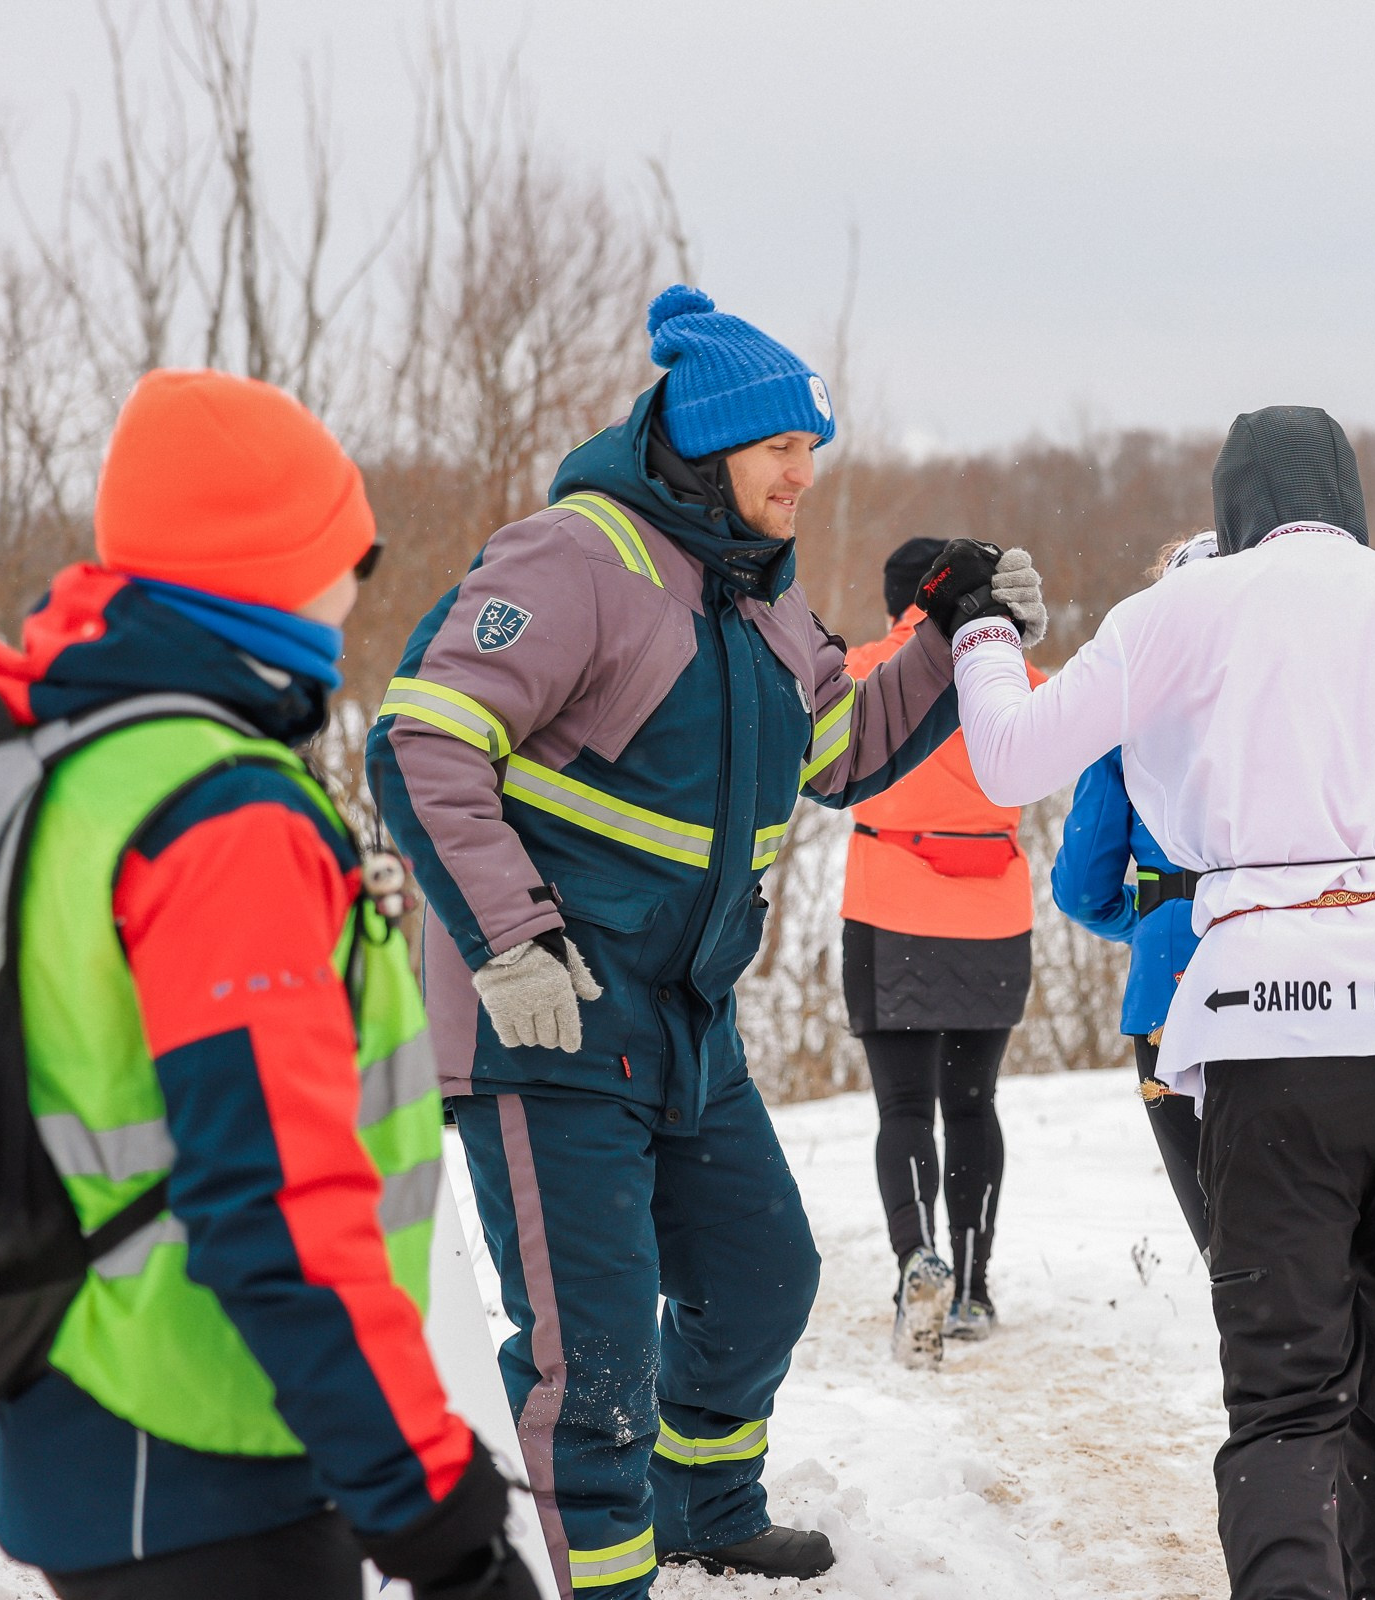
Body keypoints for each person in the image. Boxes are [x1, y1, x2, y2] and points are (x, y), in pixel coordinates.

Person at [367, 286, 1047, 1595]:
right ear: (713, 444)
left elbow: (840, 751)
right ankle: (602, 1578)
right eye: (783, 448)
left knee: (760, 1277)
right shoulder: (580, 561)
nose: (806, 471)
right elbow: (420, 742)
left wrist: (957, 635)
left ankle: (706, 1509)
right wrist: (515, 941)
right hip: (552, 1018)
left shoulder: (758, 598)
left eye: (812, 449)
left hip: (688, 1022)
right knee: (596, 1354)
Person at [924, 405, 1375, 1600]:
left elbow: (1007, 760)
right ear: (1352, 501)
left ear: (1231, 513)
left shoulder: (1178, 611)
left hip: (1269, 1032)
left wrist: (986, 631)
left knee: (1285, 1406)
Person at [0, 371, 531, 1600]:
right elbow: (270, 1202)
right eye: (344, 551)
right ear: (270, 565)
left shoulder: (71, 760)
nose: (356, 583)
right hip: (212, 1442)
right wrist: (431, 1506)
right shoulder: (223, 816)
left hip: (94, 1410)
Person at [841, 537, 1045, 1364]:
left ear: (899, 601)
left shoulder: (861, 670)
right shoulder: (1009, 680)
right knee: (972, 1104)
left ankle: (914, 1261)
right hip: (995, 911)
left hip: (891, 907)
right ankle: (971, 1287)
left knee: (903, 1110)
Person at [1050, 531, 1218, 1253]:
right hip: (1318, 988)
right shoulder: (1312, 703)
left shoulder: (1132, 720)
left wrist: (1151, 916)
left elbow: (1083, 889)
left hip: (1171, 990)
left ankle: (1263, 1355)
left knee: (1224, 1233)